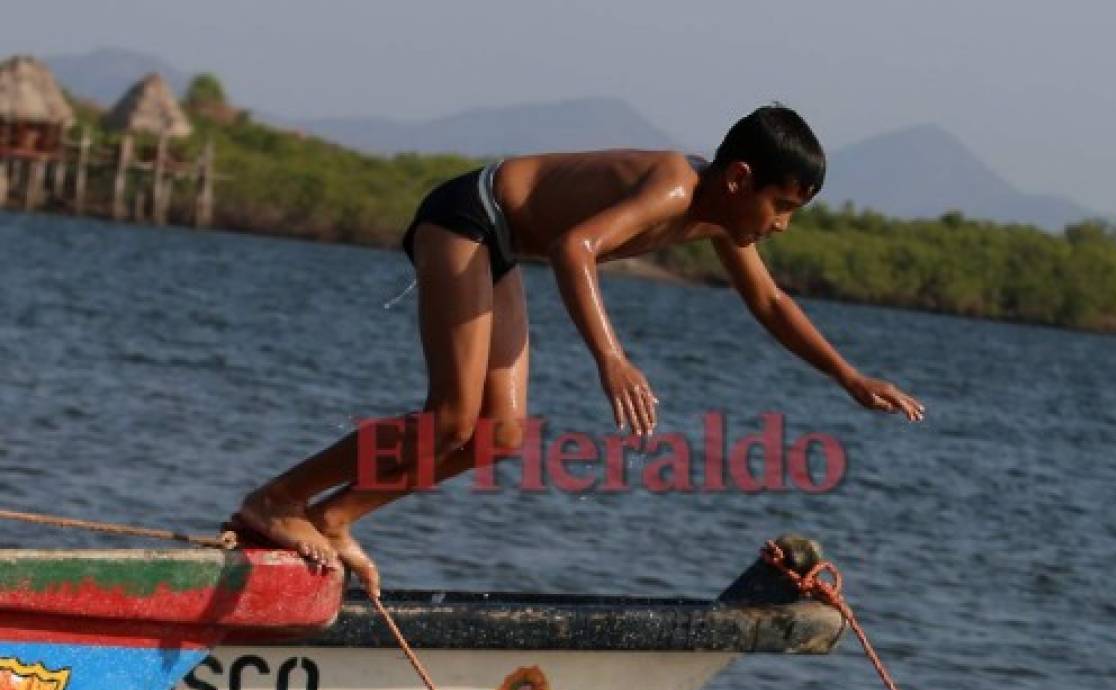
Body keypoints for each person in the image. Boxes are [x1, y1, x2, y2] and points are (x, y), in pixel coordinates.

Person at [229, 104, 925, 598]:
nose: (780, 226)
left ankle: (333, 516)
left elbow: (770, 304)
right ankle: (275, 500)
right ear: (739, 176)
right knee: (449, 415)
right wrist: (610, 358)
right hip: (469, 215)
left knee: (499, 432)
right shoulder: (676, 186)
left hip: (499, 244)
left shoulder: (720, 219)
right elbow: (573, 247)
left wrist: (847, 375)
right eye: (782, 206)